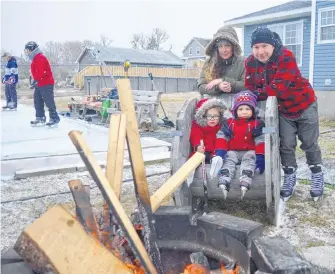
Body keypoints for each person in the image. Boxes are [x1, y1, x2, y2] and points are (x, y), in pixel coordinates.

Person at [245, 27, 324, 201]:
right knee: (286, 145)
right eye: (256, 47)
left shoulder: (285, 56)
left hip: (304, 104)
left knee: (309, 143)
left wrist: (259, 92)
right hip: (283, 111)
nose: (261, 51)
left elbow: (277, 89)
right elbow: (250, 88)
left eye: (264, 46)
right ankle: (289, 178)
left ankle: (317, 176)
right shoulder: (250, 62)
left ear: (272, 45)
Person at [210, 91, 265, 199]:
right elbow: (221, 137)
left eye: (247, 109)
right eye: (240, 109)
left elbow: (261, 140)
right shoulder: (230, 123)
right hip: (233, 150)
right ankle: (225, 176)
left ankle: (246, 175)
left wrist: (260, 155)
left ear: (253, 110)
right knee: (228, 158)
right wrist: (220, 152)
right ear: (235, 111)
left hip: (249, 150)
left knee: (249, 158)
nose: (244, 112)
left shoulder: (256, 124)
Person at [198, 26, 245, 100]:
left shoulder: (243, 62)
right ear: (216, 48)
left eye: (227, 46)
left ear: (234, 47)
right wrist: (218, 87)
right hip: (212, 106)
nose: (224, 50)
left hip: (238, 107)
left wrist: (223, 80)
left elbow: (246, 86)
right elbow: (201, 87)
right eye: (220, 46)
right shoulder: (209, 63)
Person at [24, 41, 60, 127]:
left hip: (46, 83)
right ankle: (40, 117)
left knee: (48, 101)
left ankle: (54, 118)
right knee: (37, 101)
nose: (27, 52)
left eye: (28, 50)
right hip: (39, 83)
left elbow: (41, 72)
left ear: (32, 49)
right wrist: (34, 81)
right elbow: (36, 73)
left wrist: (36, 80)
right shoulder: (34, 59)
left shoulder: (40, 58)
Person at [189, 98, 227, 164]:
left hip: (216, 152)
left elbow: (222, 140)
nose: (212, 119)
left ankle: (215, 162)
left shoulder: (221, 126)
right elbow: (196, 135)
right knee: (195, 158)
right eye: (209, 116)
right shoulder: (199, 126)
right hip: (203, 150)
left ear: (220, 116)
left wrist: (219, 152)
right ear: (203, 116)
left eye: (215, 116)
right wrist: (198, 146)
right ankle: (189, 169)